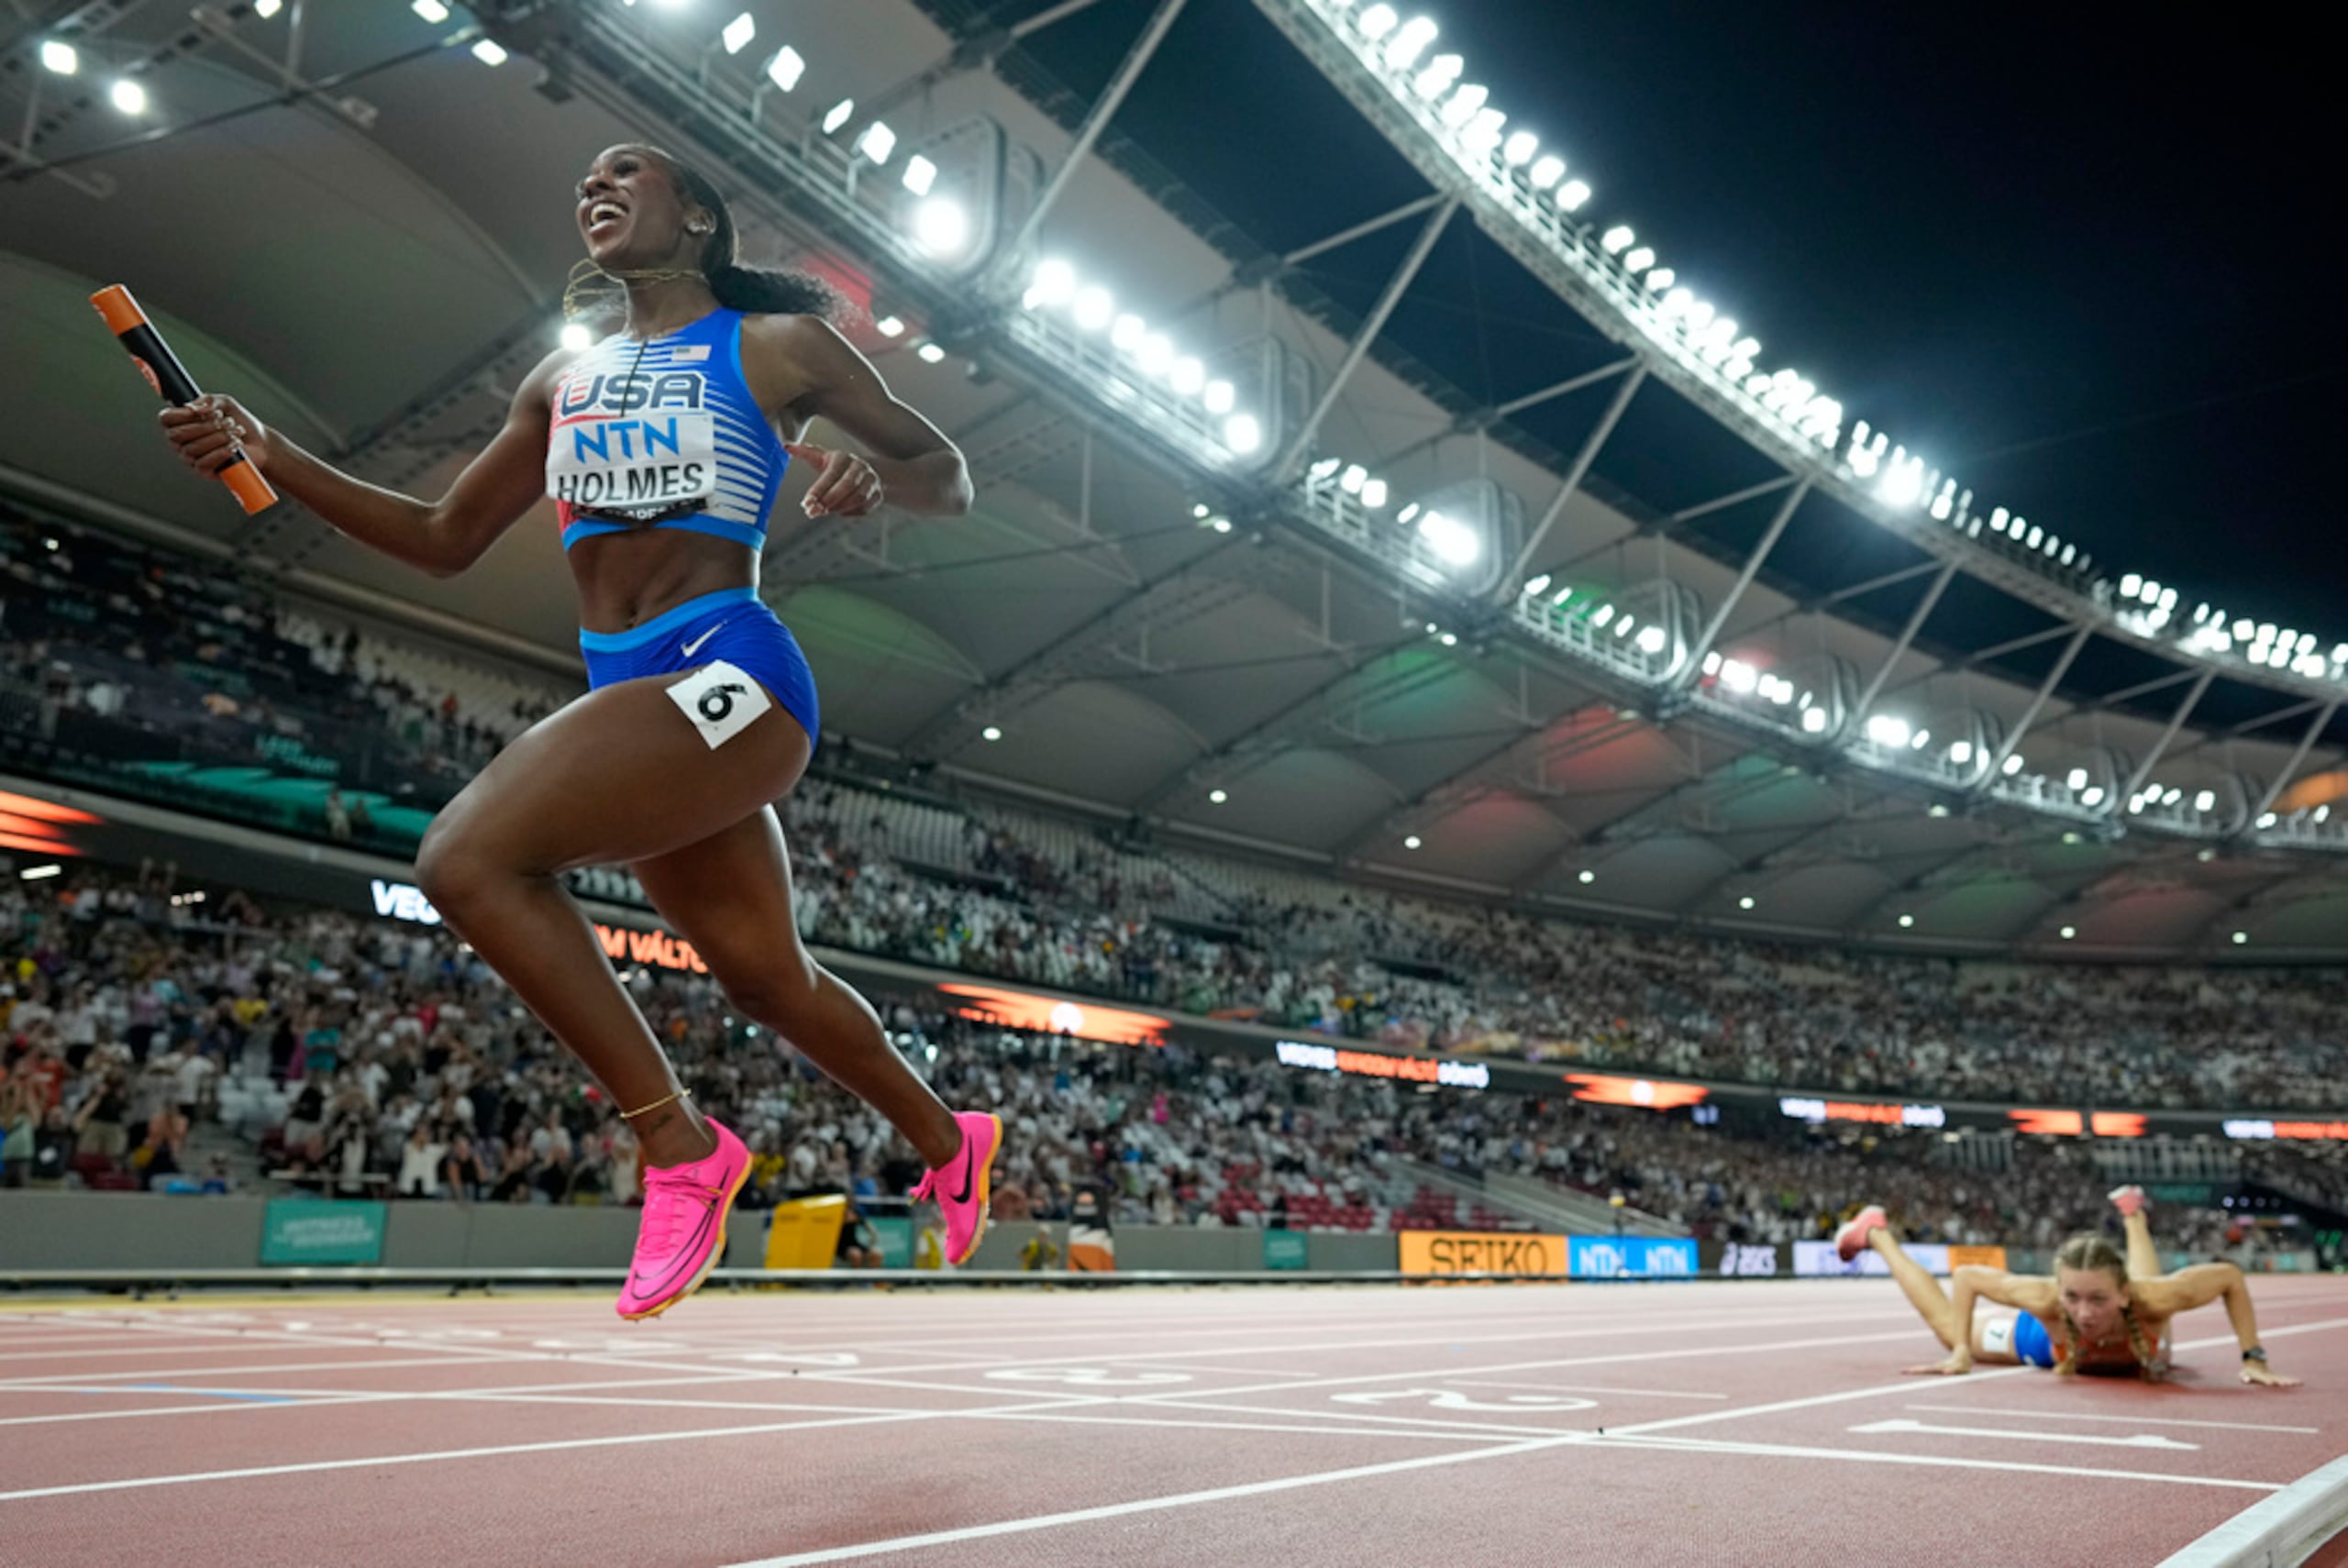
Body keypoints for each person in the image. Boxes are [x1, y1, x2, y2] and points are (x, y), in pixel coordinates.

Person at [161, 141, 1000, 1320]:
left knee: (464, 859)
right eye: (584, 184)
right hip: (628, 686)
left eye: (626, 173)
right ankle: (946, 1135)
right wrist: (277, 457)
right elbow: (445, 538)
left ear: (697, 217)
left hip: (730, 669)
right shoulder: (563, 383)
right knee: (765, 978)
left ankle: (677, 1145)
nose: (592, 189)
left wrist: (873, 476)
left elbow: (946, 472)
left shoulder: (776, 347)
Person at [1838, 1187, 2299, 1386]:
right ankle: (1877, 1232)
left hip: (2141, 1331)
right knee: (1946, 1327)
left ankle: (2132, 1214)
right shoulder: (2044, 1301)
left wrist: (2253, 1358)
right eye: (2072, 1297)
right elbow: (1966, 1278)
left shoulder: (2151, 1298)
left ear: (2121, 1294)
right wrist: (1959, 1350)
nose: (2083, 1313)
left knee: (2160, 1322)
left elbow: (2230, 1278)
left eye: (2098, 1299)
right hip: (2044, 1345)